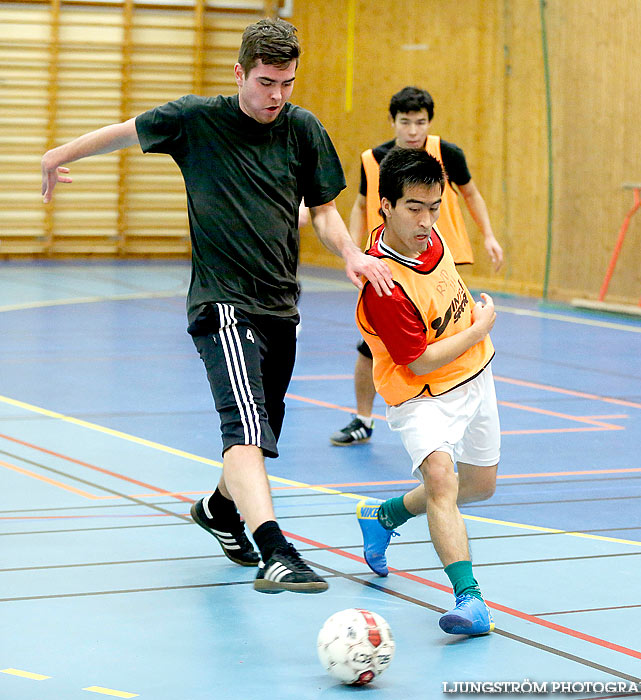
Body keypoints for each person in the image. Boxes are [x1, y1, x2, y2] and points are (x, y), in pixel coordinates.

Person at [41, 18, 393, 595]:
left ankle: (217, 510)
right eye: (264, 82)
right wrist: (57, 154)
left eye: (287, 82)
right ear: (239, 73)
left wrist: (351, 254)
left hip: (280, 305)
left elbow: (324, 212)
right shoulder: (196, 120)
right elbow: (124, 131)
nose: (276, 96)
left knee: (264, 432)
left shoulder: (301, 129)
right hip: (221, 303)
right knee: (245, 432)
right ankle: (275, 551)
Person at [354, 147, 499, 635]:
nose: (426, 220)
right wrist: (479, 329)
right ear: (386, 207)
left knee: (477, 487)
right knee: (441, 480)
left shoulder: (431, 237)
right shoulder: (383, 286)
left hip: (474, 376)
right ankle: (470, 600)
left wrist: (472, 335)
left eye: (434, 208)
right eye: (413, 208)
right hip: (420, 394)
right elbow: (418, 360)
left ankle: (384, 516)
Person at [330, 86, 503, 446]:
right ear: (392, 122)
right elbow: (361, 205)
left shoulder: (446, 155)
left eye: (420, 122)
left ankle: (450, 407)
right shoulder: (375, 160)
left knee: (447, 333)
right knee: (376, 348)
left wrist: (488, 235)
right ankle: (364, 418)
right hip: (396, 267)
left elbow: (471, 194)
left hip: (440, 262)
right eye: (405, 122)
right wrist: (353, 251)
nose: (412, 130)